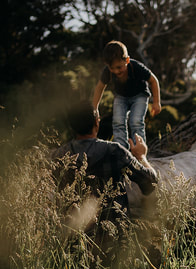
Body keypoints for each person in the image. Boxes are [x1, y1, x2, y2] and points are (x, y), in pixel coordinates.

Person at [53, 100, 159, 249]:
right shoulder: (114, 150)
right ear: (97, 122)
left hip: (73, 243)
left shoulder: (58, 155)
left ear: (71, 126)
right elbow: (150, 183)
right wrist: (141, 156)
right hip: (114, 241)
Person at [92, 40, 162, 149]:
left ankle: (139, 151)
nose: (116, 71)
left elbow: (153, 81)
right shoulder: (108, 71)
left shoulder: (136, 67)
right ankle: (121, 150)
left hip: (139, 96)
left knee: (136, 122)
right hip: (121, 97)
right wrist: (95, 108)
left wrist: (156, 102)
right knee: (118, 122)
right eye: (112, 68)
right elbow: (99, 87)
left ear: (127, 60)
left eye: (119, 67)